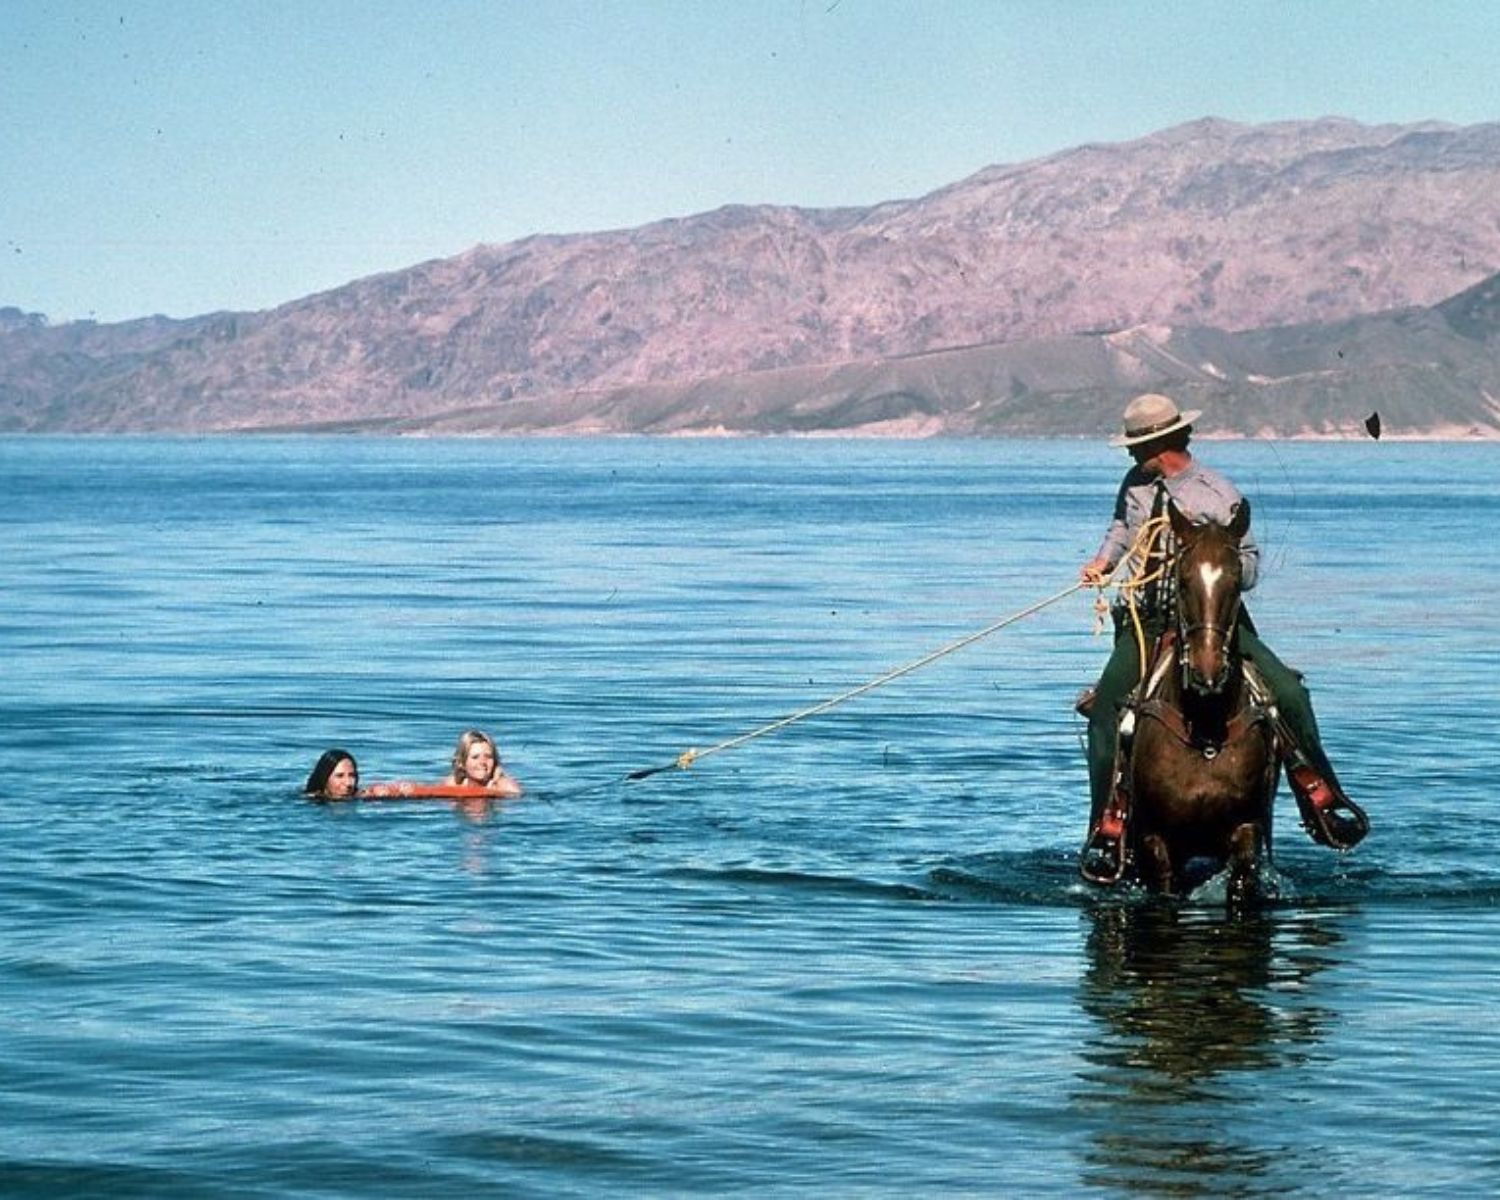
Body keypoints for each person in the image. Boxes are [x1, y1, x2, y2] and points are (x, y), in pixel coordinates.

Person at [1078, 393, 1367, 868]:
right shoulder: (1135, 483)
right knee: (1107, 710)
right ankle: (1105, 825)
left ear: (1162, 443)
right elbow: (1119, 529)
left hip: (1214, 620)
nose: (1131, 454)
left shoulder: (1217, 494)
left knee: (1289, 695)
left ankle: (1323, 799)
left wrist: (1209, 561)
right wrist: (1102, 563)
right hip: (1145, 620)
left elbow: (1249, 567)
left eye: (1137, 445)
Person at [449, 729, 524, 798]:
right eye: (475, 757)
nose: (482, 762)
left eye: (488, 756)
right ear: (462, 763)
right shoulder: (454, 783)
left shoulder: (506, 787)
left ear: (495, 760)